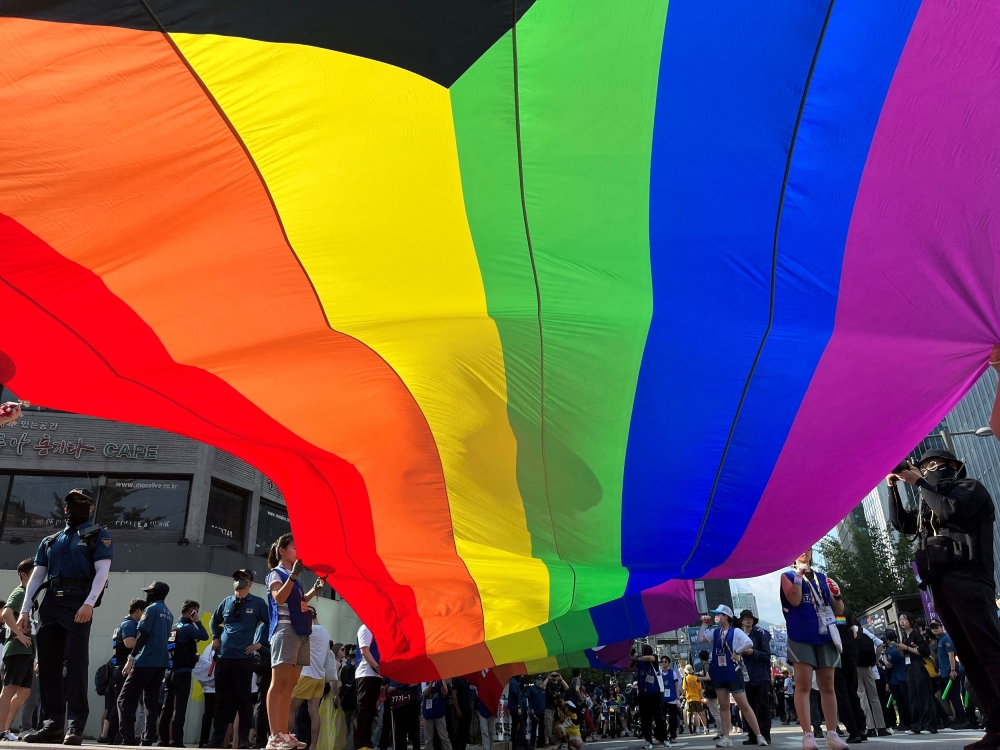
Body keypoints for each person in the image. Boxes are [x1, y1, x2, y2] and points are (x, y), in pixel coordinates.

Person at [889, 446, 1000, 748]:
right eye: (922, 468)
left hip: (970, 578)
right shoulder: (928, 503)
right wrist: (894, 487)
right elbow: (902, 523)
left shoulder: (969, 488)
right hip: (940, 583)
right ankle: (996, 727)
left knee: (989, 652)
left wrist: (918, 483)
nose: (927, 471)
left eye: (933, 465)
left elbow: (951, 510)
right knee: (971, 657)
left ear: (952, 465)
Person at [16, 488, 113, 744]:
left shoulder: (98, 535)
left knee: (77, 665)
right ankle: (52, 725)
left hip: (78, 602)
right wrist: (25, 609)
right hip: (51, 603)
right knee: (48, 667)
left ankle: (75, 726)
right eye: (71, 502)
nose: (75, 506)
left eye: (82, 502)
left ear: (91, 508)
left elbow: (102, 573)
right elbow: (37, 576)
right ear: (64, 508)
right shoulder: (51, 540)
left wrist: (89, 603)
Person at [779, 551, 847, 750]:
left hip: (825, 634)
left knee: (827, 684)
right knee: (803, 684)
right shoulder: (787, 576)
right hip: (801, 634)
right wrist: (799, 576)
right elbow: (795, 600)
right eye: (800, 548)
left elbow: (838, 610)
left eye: (808, 548)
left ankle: (832, 734)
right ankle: (808, 734)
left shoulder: (822, 578)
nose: (804, 551)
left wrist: (837, 595)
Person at [264, 534, 324, 750]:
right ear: (282, 550)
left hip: (300, 630)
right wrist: (294, 575)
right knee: (278, 683)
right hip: (285, 629)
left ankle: (285, 734)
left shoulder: (293, 577)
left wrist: (315, 589)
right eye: (294, 547)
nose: (297, 551)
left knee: (289, 685)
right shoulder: (276, 573)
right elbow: (278, 598)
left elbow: (299, 601)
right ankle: (274, 736)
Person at [209, 569, 269, 749]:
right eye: (236, 577)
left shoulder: (257, 603)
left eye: (243, 578)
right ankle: (216, 740)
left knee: (243, 701)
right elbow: (214, 620)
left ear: (250, 582)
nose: (238, 580)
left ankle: (243, 740)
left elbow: (270, 622)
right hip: (224, 657)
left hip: (244, 659)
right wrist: (215, 637)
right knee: (221, 701)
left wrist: (260, 643)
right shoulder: (226, 602)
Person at [697, 606, 767, 747]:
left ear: (726, 616)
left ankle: (759, 735)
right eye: (716, 615)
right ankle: (726, 737)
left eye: (719, 615)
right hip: (719, 672)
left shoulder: (736, 631)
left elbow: (749, 643)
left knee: (744, 705)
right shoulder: (716, 632)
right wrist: (704, 624)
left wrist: (737, 651)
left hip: (733, 671)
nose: (717, 617)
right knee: (724, 706)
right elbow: (700, 638)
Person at [118, 581, 174, 746]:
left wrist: (131, 658)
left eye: (150, 592)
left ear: (156, 593)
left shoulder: (150, 610)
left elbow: (143, 635)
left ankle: (127, 738)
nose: (148, 594)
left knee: (125, 699)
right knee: (151, 701)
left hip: (145, 660)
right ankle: (147, 738)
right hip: (161, 662)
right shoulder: (169, 613)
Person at [158, 599, 210, 747]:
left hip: (169, 672)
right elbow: (204, 636)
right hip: (183, 672)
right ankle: (176, 740)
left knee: (166, 708)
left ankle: (163, 740)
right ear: (191, 612)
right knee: (179, 708)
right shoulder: (187, 627)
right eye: (196, 612)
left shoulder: (174, 627)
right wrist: (198, 621)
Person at [0, 558, 35, 740]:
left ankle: (5, 729)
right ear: (24, 575)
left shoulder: (30, 596)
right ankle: (0, 730)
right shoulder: (20, 592)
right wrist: (20, 635)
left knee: (24, 692)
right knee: (9, 689)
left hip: (28, 652)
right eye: (33, 574)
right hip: (16, 650)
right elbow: (5, 613)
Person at [289, 608, 330, 750]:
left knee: (290, 708)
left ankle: (287, 741)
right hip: (320, 676)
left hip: (307, 674)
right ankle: (313, 746)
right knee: (314, 713)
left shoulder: (310, 630)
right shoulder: (325, 632)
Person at [893, 614, 937, 735]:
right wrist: (900, 649)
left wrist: (906, 647)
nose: (902, 622)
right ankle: (916, 725)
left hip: (919, 666)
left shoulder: (916, 635)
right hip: (909, 666)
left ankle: (930, 725)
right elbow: (906, 653)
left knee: (924, 695)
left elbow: (923, 651)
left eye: (904, 619)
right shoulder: (904, 635)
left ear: (911, 621)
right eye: (900, 620)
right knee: (913, 696)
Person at [738, 610, 773, 745]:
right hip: (745, 677)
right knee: (748, 707)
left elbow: (767, 654)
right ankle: (753, 736)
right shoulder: (738, 636)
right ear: (741, 621)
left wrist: (753, 652)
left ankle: (765, 735)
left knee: (763, 707)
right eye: (745, 618)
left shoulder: (759, 635)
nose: (748, 620)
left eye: (750, 618)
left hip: (760, 676)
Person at [832, 609, 866, 744]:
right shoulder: (843, 612)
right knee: (852, 693)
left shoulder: (824, 611)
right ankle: (861, 728)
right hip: (850, 653)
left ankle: (853, 731)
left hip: (835, 654)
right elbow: (853, 632)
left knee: (842, 695)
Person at [629, 645, 667, 749]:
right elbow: (630, 666)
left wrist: (637, 657)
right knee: (646, 719)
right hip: (643, 694)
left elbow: (649, 658)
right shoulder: (640, 661)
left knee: (659, 717)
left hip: (654, 693)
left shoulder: (653, 658)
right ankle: (648, 739)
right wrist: (632, 656)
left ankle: (663, 738)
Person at [854, 624, 887, 736]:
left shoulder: (845, 629)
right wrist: (874, 661)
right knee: (874, 696)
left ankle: (870, 727)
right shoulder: (864, 631)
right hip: (868, 666)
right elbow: (880, 644)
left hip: (855, 666)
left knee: (862, 695)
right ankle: (881, 727)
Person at [354, 623, 382, 750]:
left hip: (376, 676)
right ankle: (361, 744)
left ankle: (367, 743)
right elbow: (364, 650)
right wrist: (377, 667)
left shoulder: (376, 630)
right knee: (364, 710)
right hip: (366, 674)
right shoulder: (365, 628)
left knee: (370, 711)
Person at [193, 642, 218, 748]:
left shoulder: (209, 646)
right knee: (215, 715)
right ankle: (213, 740)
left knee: (208, 714)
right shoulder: (215, 647)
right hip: (215, 687)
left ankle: (203, 740)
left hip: (207, 687)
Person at [422, 681, 452, 750]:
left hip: (439, 712)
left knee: (443, 735)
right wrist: (431, 683)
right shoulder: (424, 681)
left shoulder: (441, 680)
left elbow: (445, 692)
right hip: (428, 712)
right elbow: (425, 693)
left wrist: (441, 682)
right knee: (428, 738)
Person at [659, 656, 681, 742]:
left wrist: (678, 699)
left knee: (673, 719)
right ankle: (663, 737)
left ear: (668, 663)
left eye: (665, 661)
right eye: (662, 661)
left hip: (672, 699)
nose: (663, 663)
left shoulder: (673, 673)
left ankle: (673, 736)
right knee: (661, 719)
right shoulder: (659, 673)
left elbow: (676, 687)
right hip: (662, 699)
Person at [542, 672, 567, 747]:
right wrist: (548, 678)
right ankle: (547, 741)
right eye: (553, 675)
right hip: (549, 706)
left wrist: (561, 679)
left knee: (559, 724)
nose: (555, 677)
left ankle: (559, 739)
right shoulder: (549, 684)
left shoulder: (559, 684)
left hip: (559, 707)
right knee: (548, 724)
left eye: (556, 675)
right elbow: (543, 687)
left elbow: (567, 688)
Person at [682, 665, 707, 734]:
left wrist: (682, 695)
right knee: (701, 713)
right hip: (698, 698)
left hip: (690, 698)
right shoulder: (697, 678)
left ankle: (698, 729)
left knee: (695, 714)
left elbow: (684, 689)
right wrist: (702, 698)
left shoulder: (686, 678)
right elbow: (700, 690)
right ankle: (705, 728)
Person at [450, 675, 473, 750]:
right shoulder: (457, 679)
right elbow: (454, 694)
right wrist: (457, 709)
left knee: (466, 731)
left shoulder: (467, 680)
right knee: (460, 730)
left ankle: (463, 747)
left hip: (468, 707)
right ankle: (457, 747)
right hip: (461, 708)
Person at [526, 678, 546, 749]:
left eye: (541, 680)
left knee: (542, 728)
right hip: (535, 711)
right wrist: (531, 708)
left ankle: (541, 743)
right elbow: (529, 699)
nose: (539, 681)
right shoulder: (532, 689)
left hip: (542, 711)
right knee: (533, 728)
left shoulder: (543, 689)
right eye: (538, 679)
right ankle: (532, 743)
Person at [508, 677, 525, 749]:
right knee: (517, 726)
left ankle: (519, 743)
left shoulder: (514, 682)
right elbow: (515, 694)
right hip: (515, 708)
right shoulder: (513, 682)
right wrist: (518, 706)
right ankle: (516, 744)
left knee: (518, 726)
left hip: (515, 707)